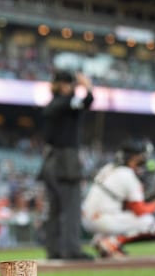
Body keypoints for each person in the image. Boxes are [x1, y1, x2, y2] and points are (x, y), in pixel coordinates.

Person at [37, 70, 94, 260]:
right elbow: (86, 102)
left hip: (50, 160)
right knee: (71, 206)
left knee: (55, 208)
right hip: (65, 160)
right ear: (65, 85)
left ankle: (54, 250)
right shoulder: (65, 102)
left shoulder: (53, 103)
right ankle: (71, 250)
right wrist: (87, 87)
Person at [81, 140, 155, 258]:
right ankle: (111, 242)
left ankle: (100, 240)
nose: (144, 160)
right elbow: (139, 210)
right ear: (135, 157)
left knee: (122, 212)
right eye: (142, 156)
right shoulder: (127, 174)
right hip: (102, 220)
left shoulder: (108, 167)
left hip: (88, 219)